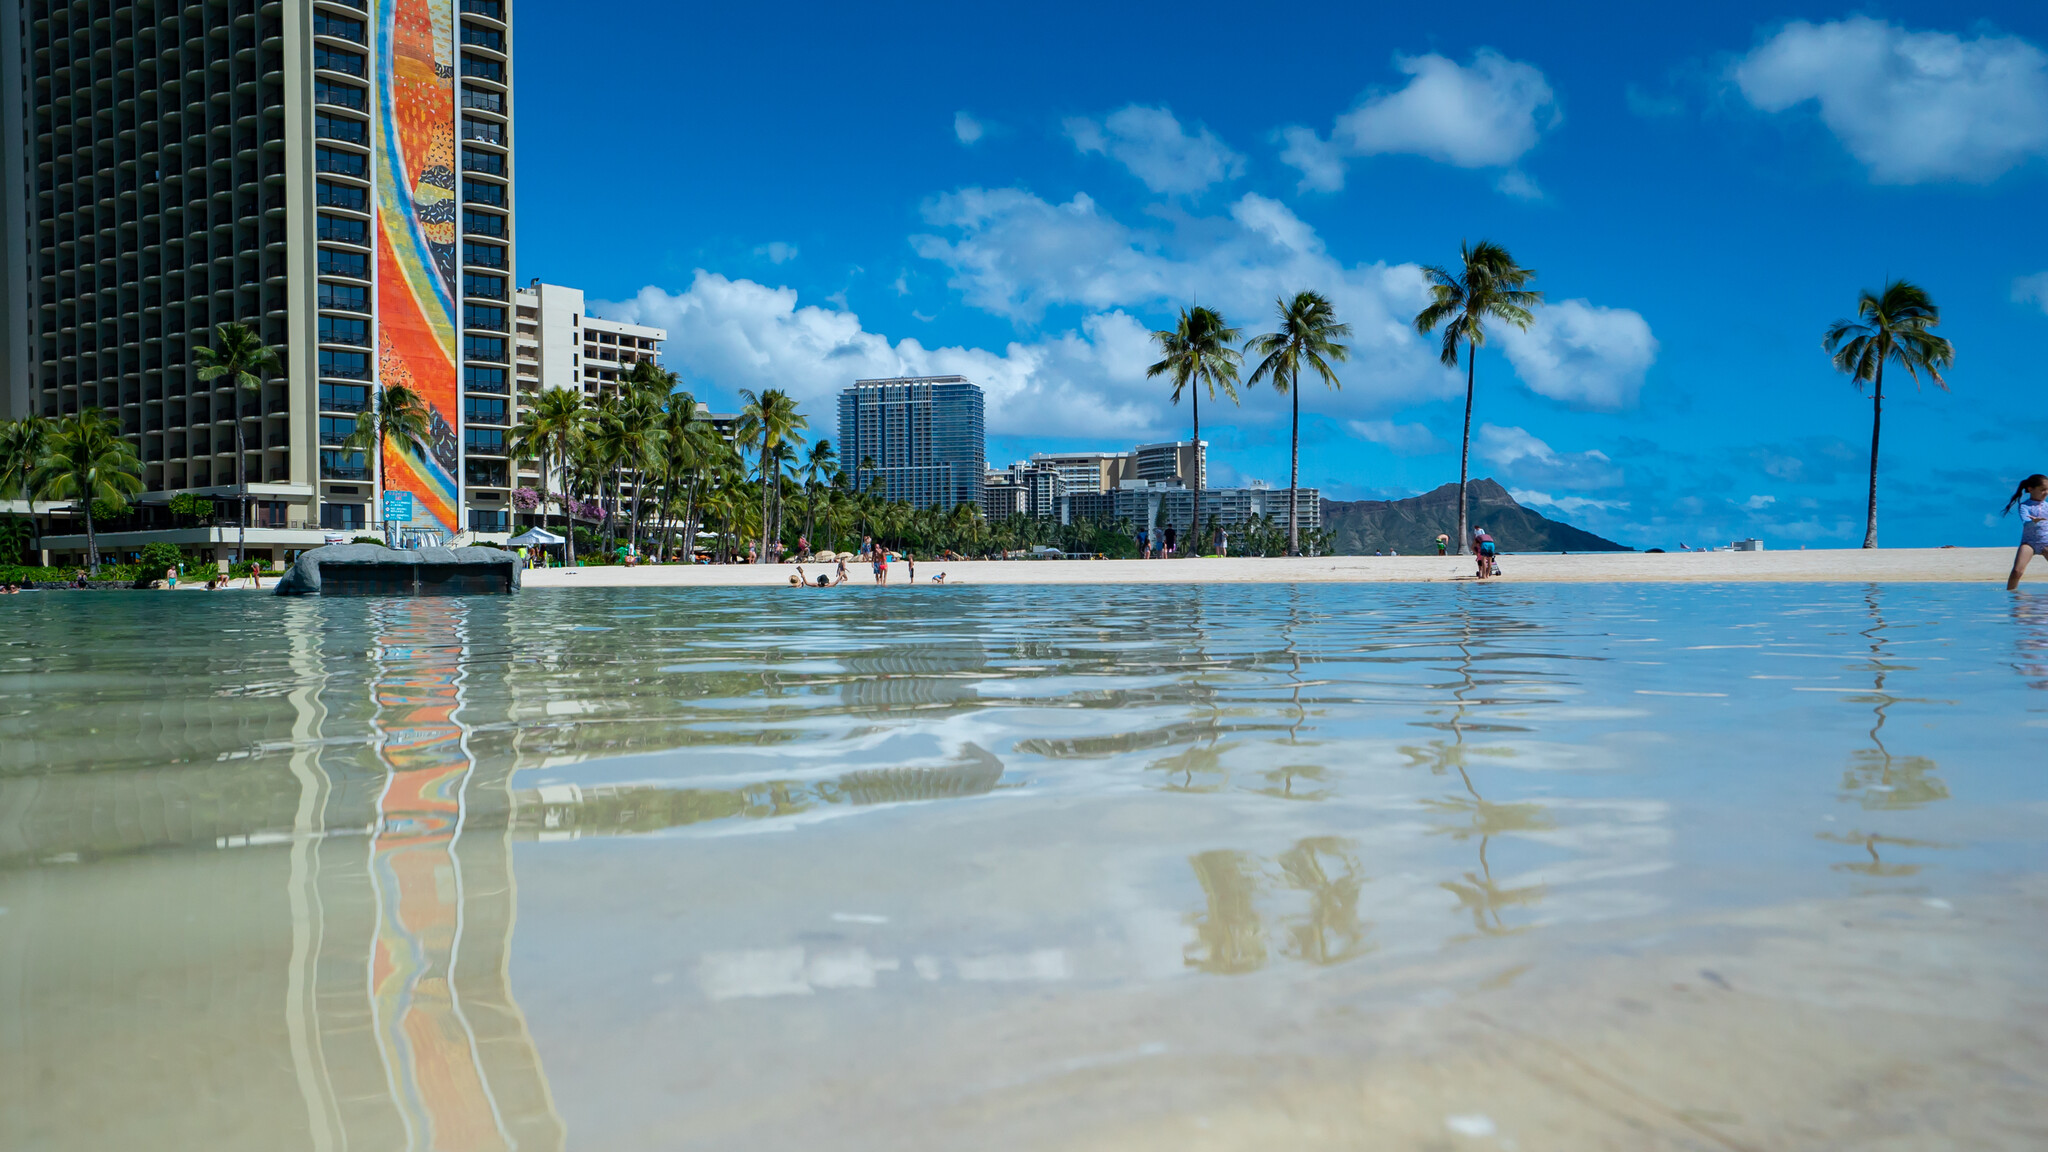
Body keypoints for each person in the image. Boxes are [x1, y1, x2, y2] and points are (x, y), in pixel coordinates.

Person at [2006, 475, 2048, 590]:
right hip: (2028, 543)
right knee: (2016, 571)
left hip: (2046, 542)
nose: (2046, 492)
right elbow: (2025, 520)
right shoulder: (2024, 506)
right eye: (2043, 490)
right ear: (2030, 489)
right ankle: (2011, 597)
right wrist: (2032, 521)